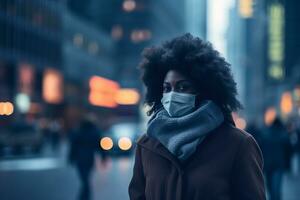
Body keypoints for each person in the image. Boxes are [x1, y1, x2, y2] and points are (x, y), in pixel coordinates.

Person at [128, 33, 266, 200]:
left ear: (205, 89)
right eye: (166, 88)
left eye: (182, 87)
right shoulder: (147, 145)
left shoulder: (238, 144)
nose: (172, 95)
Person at [69, 118, 107, 200]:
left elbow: (73, 146)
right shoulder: (94, 132)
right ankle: (85, 196)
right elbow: (100, 146)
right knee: (86, 179)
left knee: (84, 179)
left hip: (80, 158)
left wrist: (71, 157)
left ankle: (84, 196)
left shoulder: (78, 131)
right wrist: (103, 157)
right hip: (89, 158)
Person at [262, 118, 291, 200]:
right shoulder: (283, 135)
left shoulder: (265, 134)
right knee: (276, 189)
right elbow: (288, 152)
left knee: (270, 188)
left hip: (268, 165)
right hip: (278, 165)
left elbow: (261, 149)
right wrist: (288, 166)